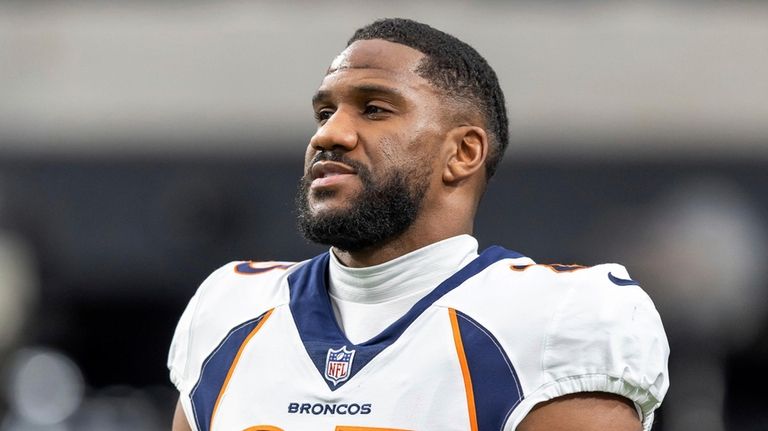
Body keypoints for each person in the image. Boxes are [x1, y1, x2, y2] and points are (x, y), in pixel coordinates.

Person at [168, 18, 669, 431]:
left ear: (463, 152)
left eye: (374, 109)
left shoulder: (558, 318)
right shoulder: (230, 306)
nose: (330, 134)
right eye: (324, 111)